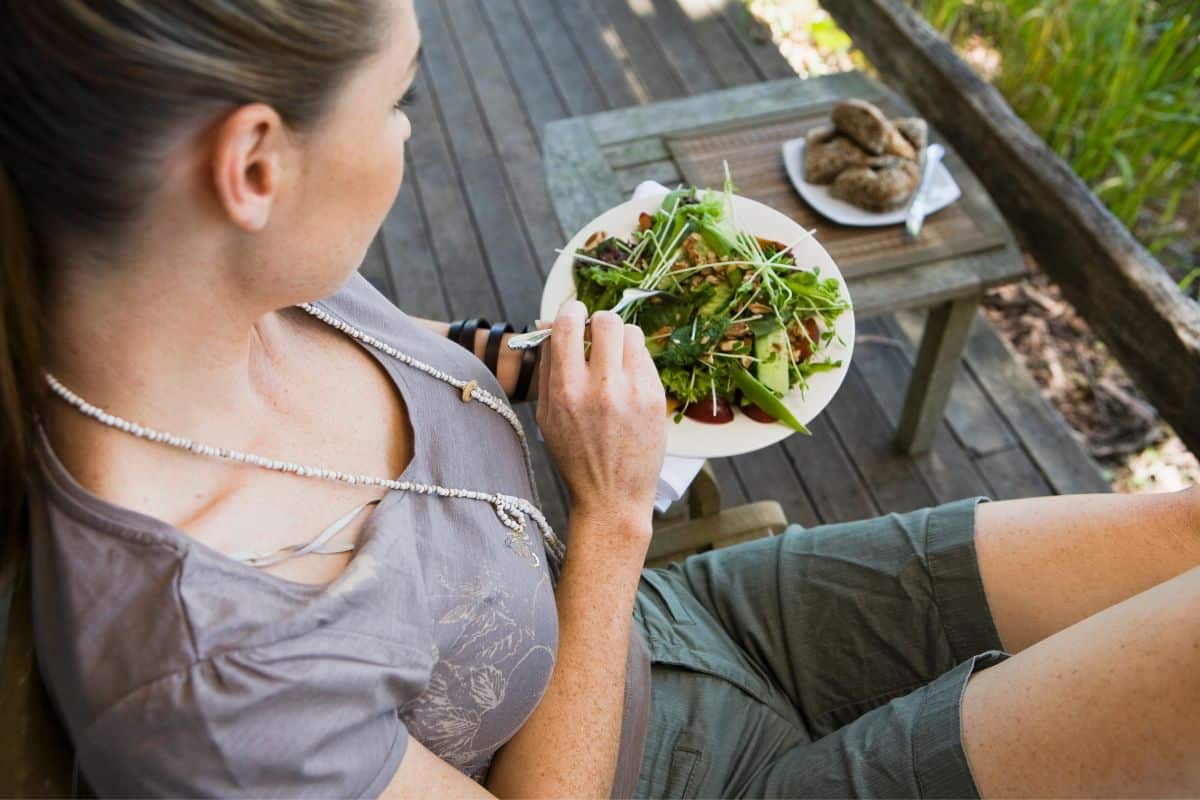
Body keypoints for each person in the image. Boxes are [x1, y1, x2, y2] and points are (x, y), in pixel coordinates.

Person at [2, 1, 1197, 797]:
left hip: (670, 625)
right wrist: (617, 512)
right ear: (255, 163)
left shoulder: (226, 279)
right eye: (400, 99)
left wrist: (511, 357)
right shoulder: (208, 688)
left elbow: (403, 345)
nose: (407, 134)